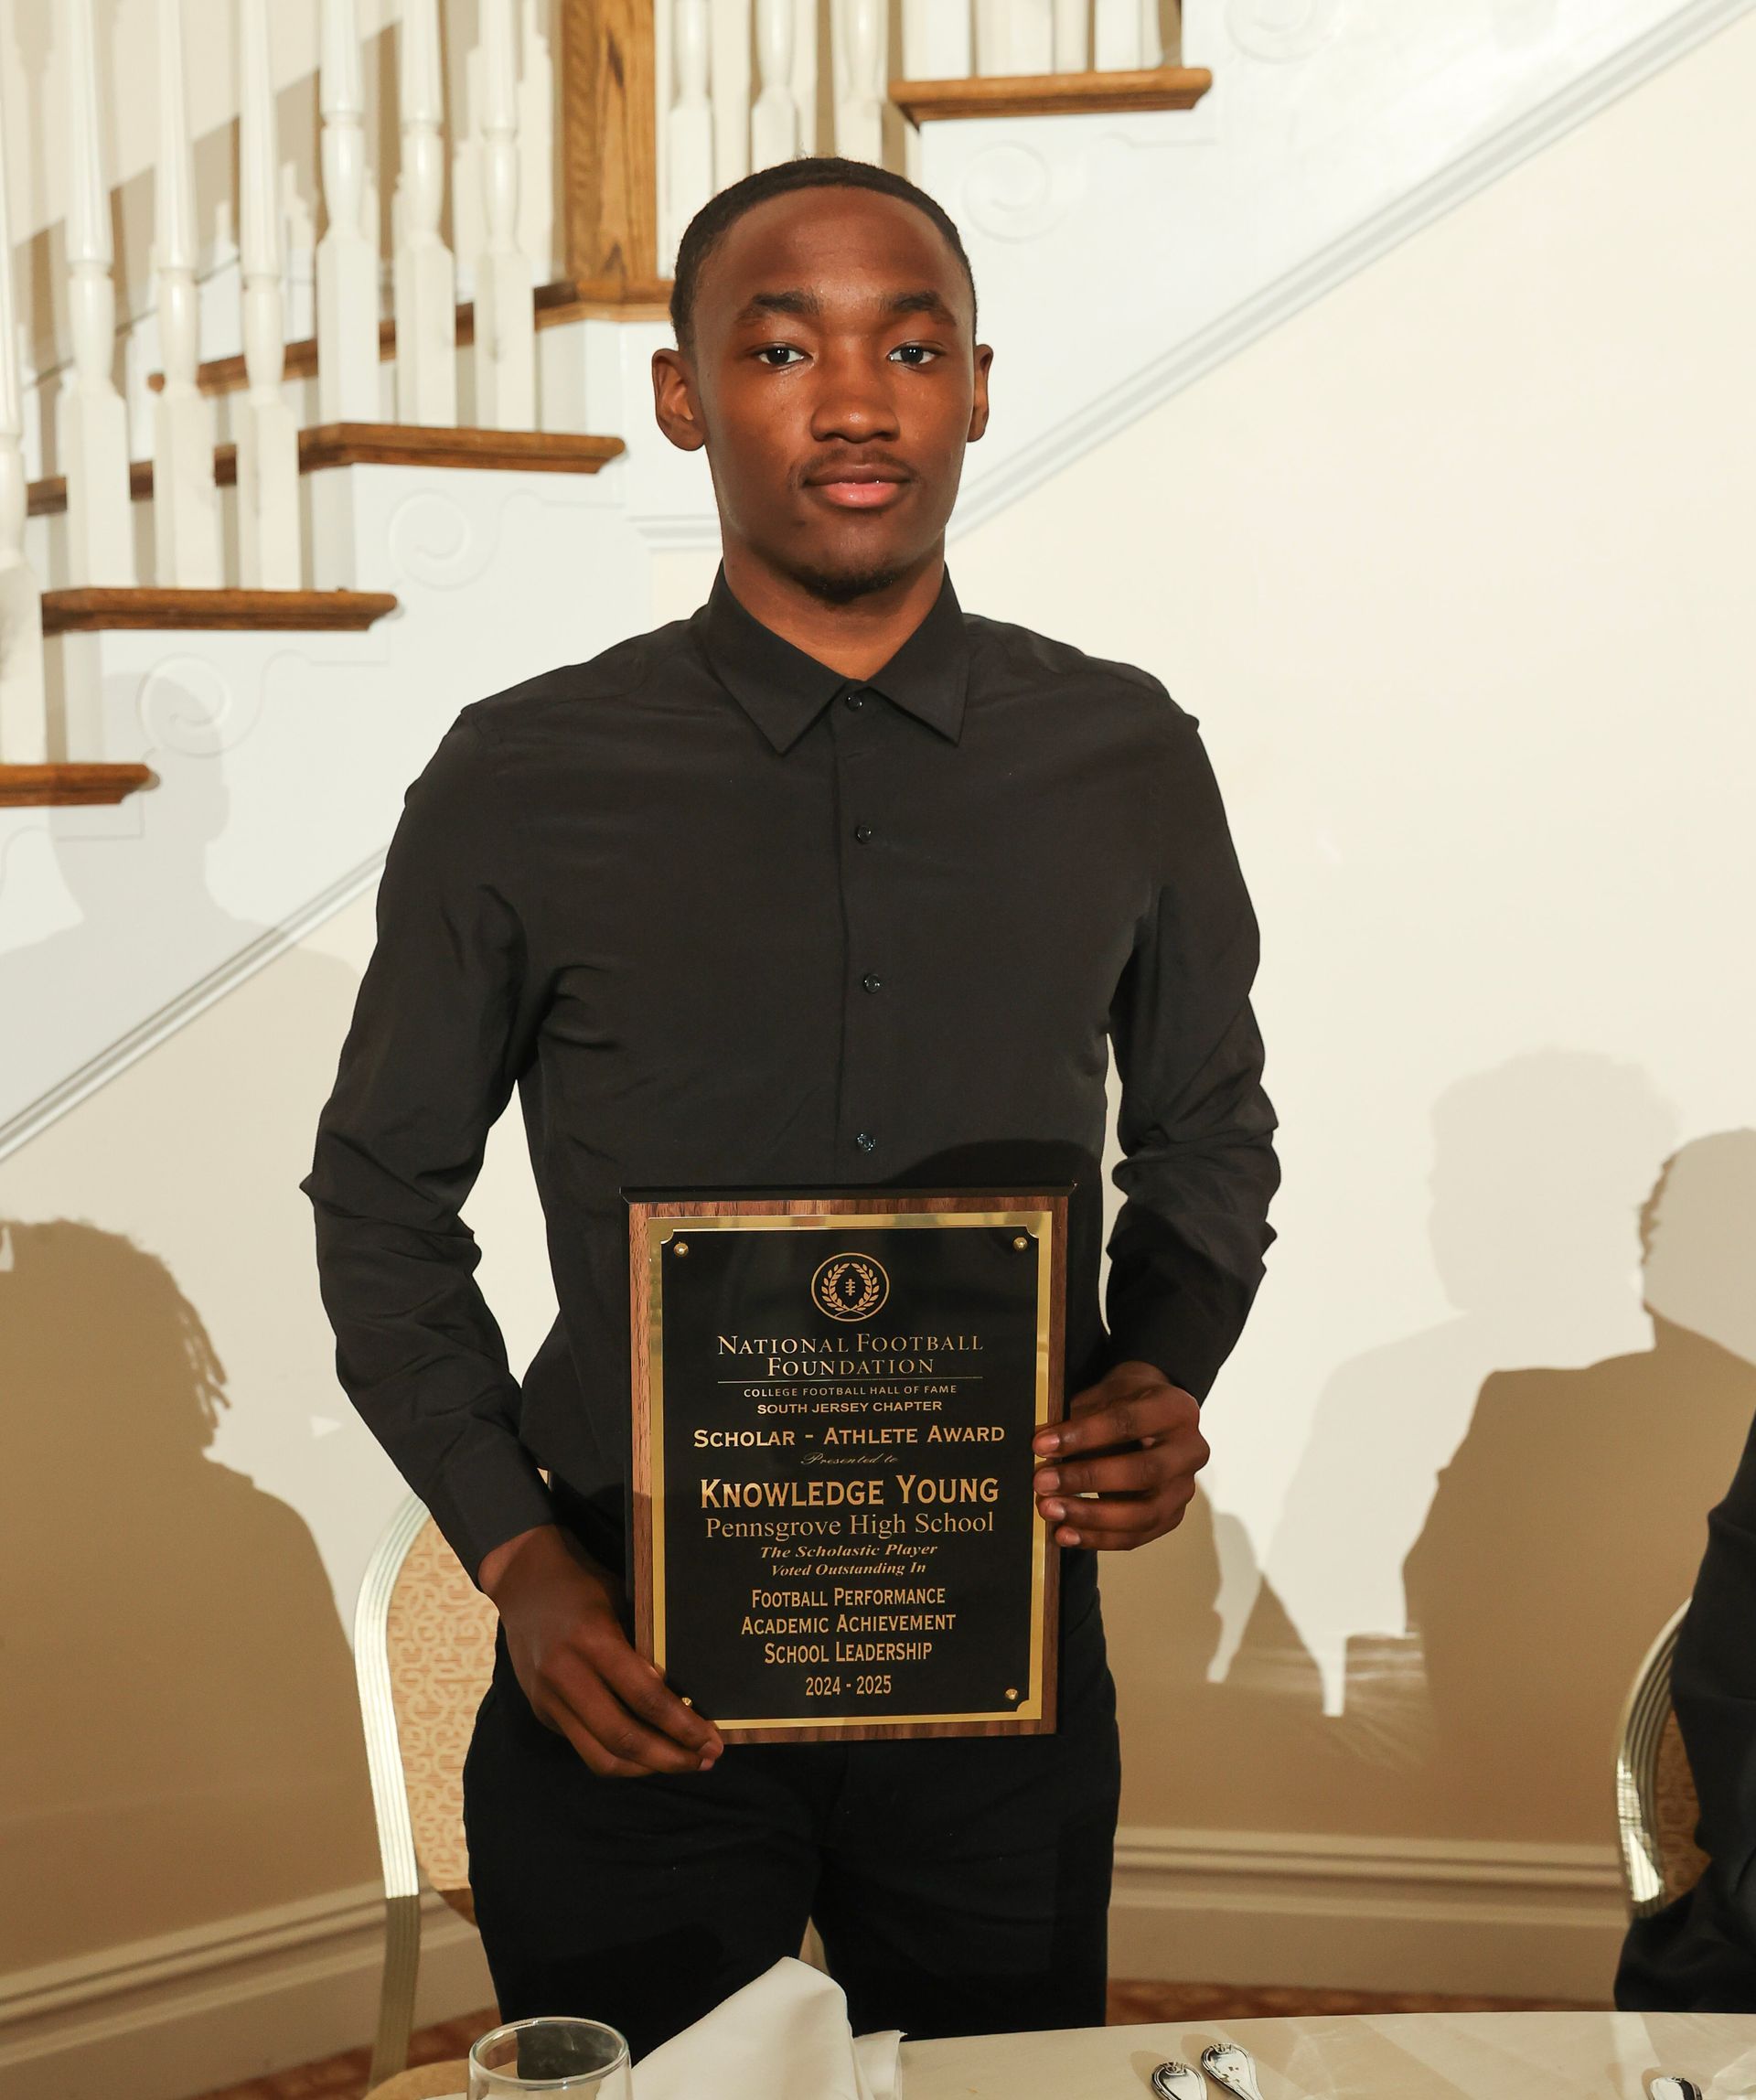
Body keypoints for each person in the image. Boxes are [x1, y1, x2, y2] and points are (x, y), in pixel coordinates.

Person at [304, 156, 1279, 2055]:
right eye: (780, 348)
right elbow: (378, 1199)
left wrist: (1167, 1370)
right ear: (683, 396)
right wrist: (518, 1558)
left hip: (1004, 1665)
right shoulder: (523, 775)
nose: (855, 400)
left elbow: (1208, 1130)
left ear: (978, 385)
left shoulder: (1124, 753)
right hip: (633, 1662)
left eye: (912, 346)